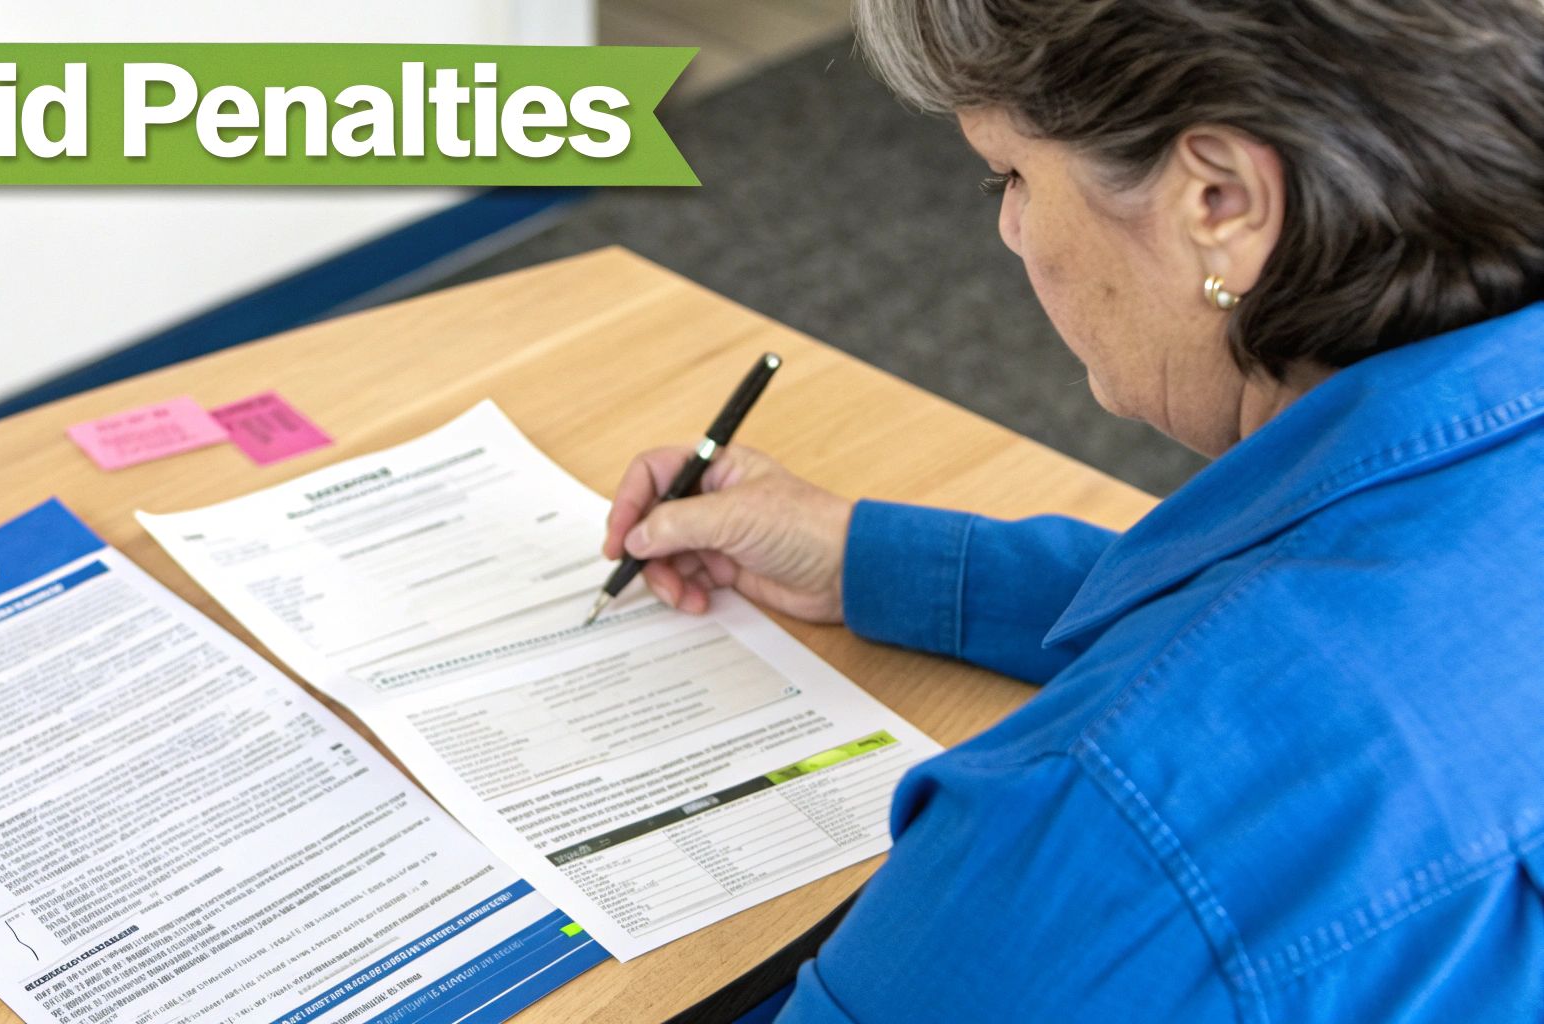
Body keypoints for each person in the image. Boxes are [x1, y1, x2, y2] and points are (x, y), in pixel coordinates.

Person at [601, 1, 1544, 1019]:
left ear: (1219, 201)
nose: (1009, 229)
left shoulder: (1103, 833)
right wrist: (867, 558)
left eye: (1009, 175)